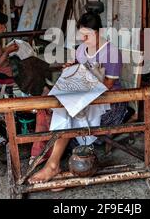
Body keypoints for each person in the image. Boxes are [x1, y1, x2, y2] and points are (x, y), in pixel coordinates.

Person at [29, 11, 130, 184]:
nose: (83, 39)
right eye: (81, 35)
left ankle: (53, 164)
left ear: (98, 32)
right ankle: (50, 160)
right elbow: (80, 71)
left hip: (110, 101)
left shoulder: (111, 52)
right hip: (87, 95)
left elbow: (108, 85)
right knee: (59, 106)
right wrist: (72, 68)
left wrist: (82, 86)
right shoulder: (81, 50)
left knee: (69, 110)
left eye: (87, 35)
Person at [0, 11, 51, 96]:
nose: (5, 28)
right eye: (4, 25)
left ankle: (42, 88)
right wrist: (7, 51)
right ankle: (40, 92)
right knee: (30, 67)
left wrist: (7, 49)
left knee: (31, 61)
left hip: (0, 68)